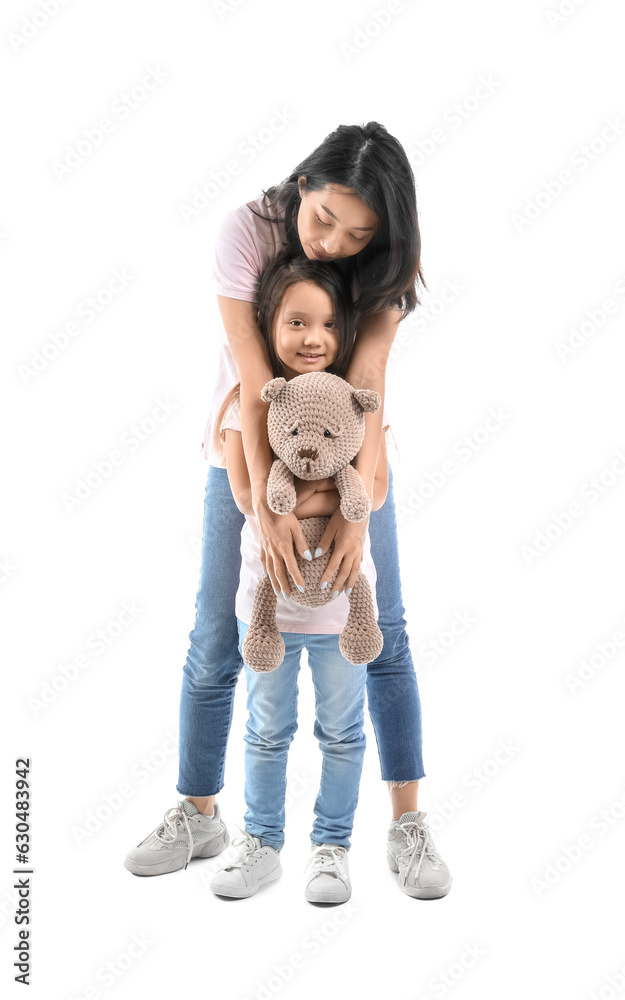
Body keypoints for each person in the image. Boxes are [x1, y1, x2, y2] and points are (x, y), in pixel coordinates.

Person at [124, 122, 451, 899]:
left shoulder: (386, 262)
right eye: (326, 219)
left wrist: (358, 508)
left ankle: (405, 823)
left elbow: (368, 379)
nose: (338, 243)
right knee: (216, 633)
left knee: (384, 630)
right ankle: (200, 811)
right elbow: (249, 367)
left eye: (360, 233)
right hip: (244, 443)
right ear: (302, 183)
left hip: (351, 456)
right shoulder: (246, 229)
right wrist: (258, 506)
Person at [210, 249, 385, 903]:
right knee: (265, 729)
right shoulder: (248, 407)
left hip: (343, 608)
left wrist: (318, 495)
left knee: (341, 732)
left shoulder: (356, 406)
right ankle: (259, 841)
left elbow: (376, 489)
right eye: (296, 322)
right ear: (267, 323)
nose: (314, 338)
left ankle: (332, 846)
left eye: (329, 325)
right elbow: (251, 498)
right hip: (269, 613)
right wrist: (331, 496)